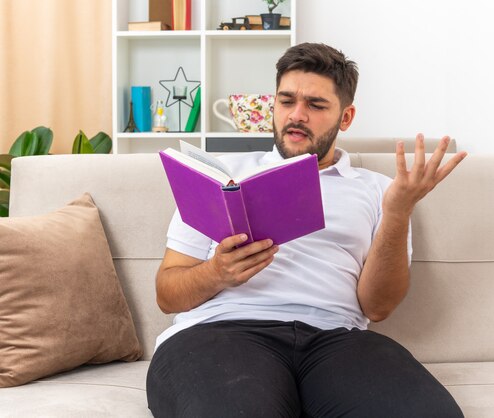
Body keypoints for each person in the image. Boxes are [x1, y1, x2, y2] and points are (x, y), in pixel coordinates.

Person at [147, 42, 467, 418]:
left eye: (315, 105)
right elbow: (168, 295)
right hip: (221, 333)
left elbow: (377, 308)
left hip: (336, 340)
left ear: (345, 118)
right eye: (286, 101)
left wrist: (398, 212)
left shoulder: (380, 190)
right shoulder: (220, 176)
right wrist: (216, 273)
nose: (297, 115)